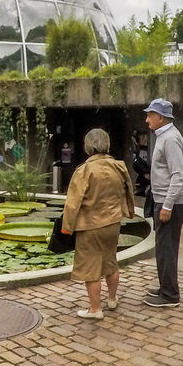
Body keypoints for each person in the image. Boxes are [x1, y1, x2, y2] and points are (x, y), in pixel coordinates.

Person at [60, 127, 137, 320]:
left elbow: (72, 202)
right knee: (111, 261)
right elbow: (128, 191)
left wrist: (66, 227)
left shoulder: (84, 170)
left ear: (88, 146)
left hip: (90, 225)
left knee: (91, 268)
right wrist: (129, 211)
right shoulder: (118, 166)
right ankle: (112, 299)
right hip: (113, 222)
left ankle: (95, 309)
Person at [143, 98, 183, 307]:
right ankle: (165, 287)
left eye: (150, 115)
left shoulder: (170, 138)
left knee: (167, 248)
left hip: (170, 202)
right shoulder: (164, 136)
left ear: (160, 117)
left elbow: (178, 176)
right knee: (163, 247)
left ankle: (170, 295)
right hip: (162, 199)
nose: (147, 120)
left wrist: (168, 205)